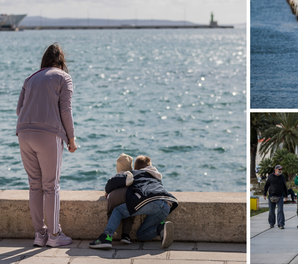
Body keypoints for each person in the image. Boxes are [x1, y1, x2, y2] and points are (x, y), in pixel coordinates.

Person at [16, 43, 77, 247]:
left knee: (35, 185)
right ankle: (54, 235)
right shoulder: (63, 77)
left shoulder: (30, 78)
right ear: (61, 62)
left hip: (23, 132)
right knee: (51, 187)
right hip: (48, 135)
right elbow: (66, 111)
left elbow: (19, 110)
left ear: (44, 60)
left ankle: (39, 235)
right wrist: (71, 138)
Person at [90, 156, 179, 249]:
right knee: (141, 235)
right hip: (166, 204)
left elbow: (113, 182)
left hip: (150, 201)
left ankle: (106, 237)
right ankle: (160, 228)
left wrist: (107, 192)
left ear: (135, 168)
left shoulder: (136, 173)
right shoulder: (156, 177)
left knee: (118, 211)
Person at [106, 153, 136, 244]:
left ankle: (110, 233)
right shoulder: (131, 177)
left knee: (110, 212)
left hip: (114, 197)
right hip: (128, 196)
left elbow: (107, 189)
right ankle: (125, 236)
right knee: (130, 215)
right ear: (131, 168)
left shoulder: (115, 177)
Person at [263, 165, 288, 229]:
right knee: (271, 211)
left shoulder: (282, 177)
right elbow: (266, 186)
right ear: (275, 170)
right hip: (271, 196)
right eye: (279, 169)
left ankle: (281, 224)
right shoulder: (270, 177)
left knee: (280, 210)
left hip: (280, 196)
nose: (280, 171)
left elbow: (285, 187)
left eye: (281, 169)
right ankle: (271, 223)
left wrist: (286, 195)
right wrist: (264, 194)